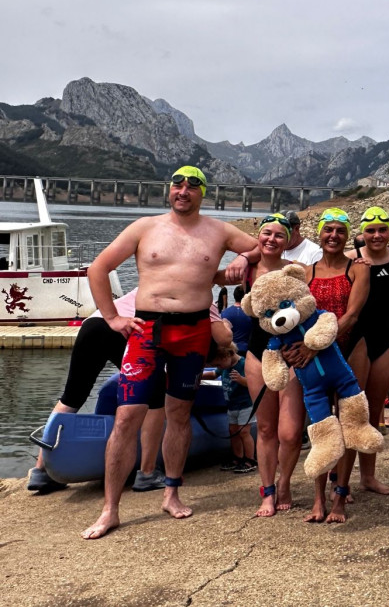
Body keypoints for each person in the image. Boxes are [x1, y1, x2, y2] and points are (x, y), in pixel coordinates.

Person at [81, 165, 257, 539]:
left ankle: (171, 493)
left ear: (202, 193)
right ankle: (110, 509)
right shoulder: (145, 227)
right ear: (169, 190)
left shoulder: (219, 231)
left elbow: (264, 246)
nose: (184, 190)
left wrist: (244, 258)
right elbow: (98, 268)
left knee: (179, 413)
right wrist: (112, 318)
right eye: (178, 183)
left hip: (193, 333)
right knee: (127, 415)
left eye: (193, 185)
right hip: (147, 332)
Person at [27, 287, 168, 495]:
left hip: (93, 324)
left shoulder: (154, 278)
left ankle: (41, 471)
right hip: (124, 330)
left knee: (72, 396)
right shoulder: (190, 292)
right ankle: (147, 473)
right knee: (155, 394)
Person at [220, 214, 303, 518]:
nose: (271, 240)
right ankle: (268, 491)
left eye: (279, 235)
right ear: (258, 235)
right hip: (257, 353)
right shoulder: (247, 270)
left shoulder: (295, 271)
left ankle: (286, 481)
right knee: (265, 428)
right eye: (266, 233)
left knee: (291, 433)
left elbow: (307, 309)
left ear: (288, 240)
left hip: (290, 353)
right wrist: (241, 258)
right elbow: (208, 278)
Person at [305, 207, 370, 524]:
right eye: (328, 230)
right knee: (321, 429)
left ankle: (340, 498)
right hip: (315, 357)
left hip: (349, 350)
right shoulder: (306, 273)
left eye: (340, 231)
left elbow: (353, 315)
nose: (333, 236)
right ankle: (318, 500)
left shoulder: (358, 269)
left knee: (350, 427)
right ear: (319, 233)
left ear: (347, 236)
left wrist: (319, 342)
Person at [341, 206, 389, 498]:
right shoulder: (352, 260)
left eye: (382, 230)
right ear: (362, 233)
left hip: (387, 338)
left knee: (375, 410)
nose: (377, 235)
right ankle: (339, 480)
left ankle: (367, 476)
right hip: (358, 340)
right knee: (351, 410)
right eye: (371, 231)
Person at [219, 287, 256, 474]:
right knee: (235, 429)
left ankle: (248, 459)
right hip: (249, 354)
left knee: (242, 430)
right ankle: (239, 458)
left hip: (233, 353)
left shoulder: (226, 313)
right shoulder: (252, 311)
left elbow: (224, 333)